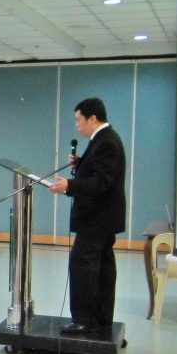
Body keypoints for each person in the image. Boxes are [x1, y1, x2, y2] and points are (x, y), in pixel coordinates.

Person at [48, 97, 126, 335]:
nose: (76, 125)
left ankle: (85, 320)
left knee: (83, 265)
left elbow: (102, 181)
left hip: (97, 219)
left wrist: (70, 184)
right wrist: (82, 163)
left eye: (78, 120)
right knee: (101, 268)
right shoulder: (103, 140)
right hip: (102, 219)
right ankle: (100, 318)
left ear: (93, 118)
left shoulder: (107, 142)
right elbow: (99, 172)